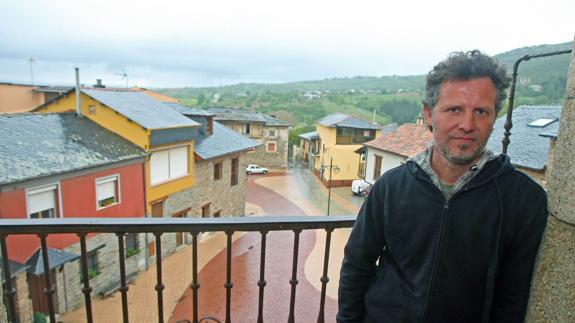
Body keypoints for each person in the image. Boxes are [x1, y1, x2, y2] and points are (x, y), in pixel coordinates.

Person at [337, 50, 548, 323]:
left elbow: (513, 299)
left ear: (494, 118)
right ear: (428, 114)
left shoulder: (523, 201)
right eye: (454, 109)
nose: (467, 124)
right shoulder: (390, 187)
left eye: (481, 112)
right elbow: (356, 265)